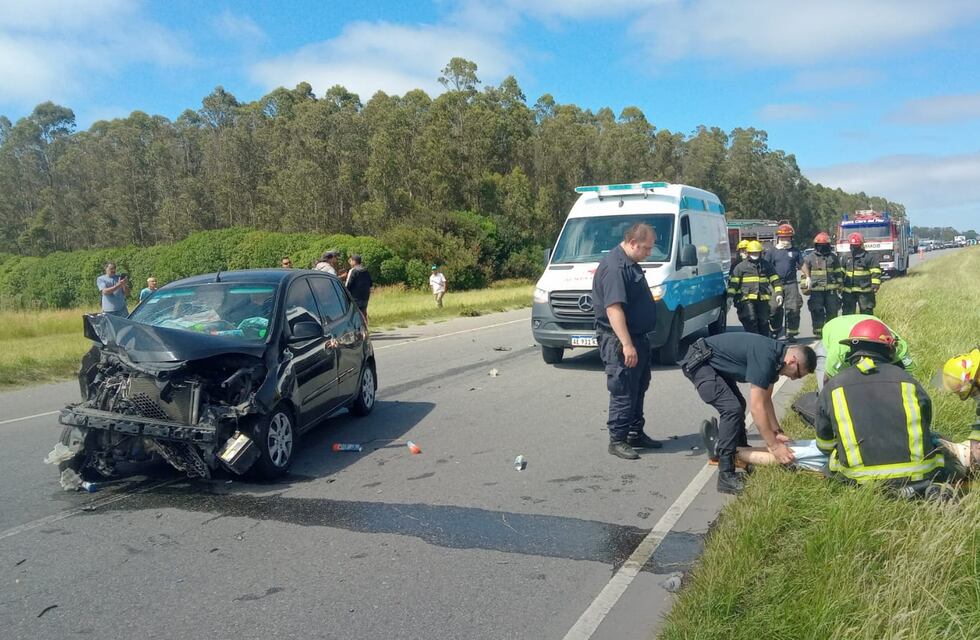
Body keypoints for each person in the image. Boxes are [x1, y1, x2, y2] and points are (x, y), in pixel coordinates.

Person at [814, 319, 950, 488]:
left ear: (852, 350)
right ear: (888, 349)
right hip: (918, 476)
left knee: (832, 462)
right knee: (939, 441)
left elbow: (824, 444)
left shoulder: (834, 386)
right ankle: (935, 489)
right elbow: (925, 421)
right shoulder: (907, 381)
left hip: (858, 482)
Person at [681, 332, 816, 493]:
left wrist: (777, 432)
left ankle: (740, 452)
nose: (794, 379)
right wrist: (774, 446)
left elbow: (766, 400)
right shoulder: (767, 357)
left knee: (738, 405)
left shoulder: (777, 361)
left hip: (712, 364)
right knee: (732, 409)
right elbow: (757, 408)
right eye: (797, 374)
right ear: (793, 361)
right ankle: (726, 474)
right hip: (700, 363)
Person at [592, 223, 664, 460]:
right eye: (646, 248)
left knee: (638, 387)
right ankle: (618, 439)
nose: (648, 253)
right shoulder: (615, 267)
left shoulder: (630, 263)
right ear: (633, 243)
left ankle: (635, 432)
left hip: (638, 337)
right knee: (623, 389)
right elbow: (613, 309)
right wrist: (627, 344)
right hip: (619, 340)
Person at [727, 240, 782, 336]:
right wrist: (730, 296)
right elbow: (733, 283)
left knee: (763, 320)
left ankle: (764, 340)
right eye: (753, 252)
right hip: (746, 298)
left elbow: (775, 280)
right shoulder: (740, 267)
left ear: (760, 253)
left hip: (763, 298)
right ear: (748, 253)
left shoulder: (766, 265)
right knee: (750, 318)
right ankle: (754, 339)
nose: (755, 254)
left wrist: (779, 294)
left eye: (757, 252)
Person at [765, 223, 804, 342]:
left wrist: (807, 276)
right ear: (778, 238)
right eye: (783, 237)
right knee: (774, 308)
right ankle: (775, 331)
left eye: (787, 237)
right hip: (775, 285)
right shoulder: (771, 252)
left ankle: (790, 334)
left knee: (793, 309)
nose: (785, 240)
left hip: (791, 283)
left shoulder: (795, 251)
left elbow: (802, 264)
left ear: (791, 238)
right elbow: (766, 267)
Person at [800, 232, 842, 338]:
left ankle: (831, 332)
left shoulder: (833, 257)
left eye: (824, 245)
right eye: (820, 245)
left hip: (831, 291)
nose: (822, 247)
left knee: (832, 311)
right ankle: (818, 332)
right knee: (816, 310)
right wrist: (805, 285)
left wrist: (840, 285)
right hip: (816, 291)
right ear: (816, 245)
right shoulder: (809, 258)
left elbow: (838, 272)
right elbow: (804, 273)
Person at [840, 232, 881, 315]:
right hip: (849, 292)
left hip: (865, 291)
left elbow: (876, 272)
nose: (853, 247)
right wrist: (839, 284)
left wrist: (875, 285)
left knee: (866, 313)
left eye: (856, 245)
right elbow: (841, 272)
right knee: (848, 313)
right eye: (852, 245)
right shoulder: (846, 258)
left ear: (861, 245)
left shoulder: (869, 257)